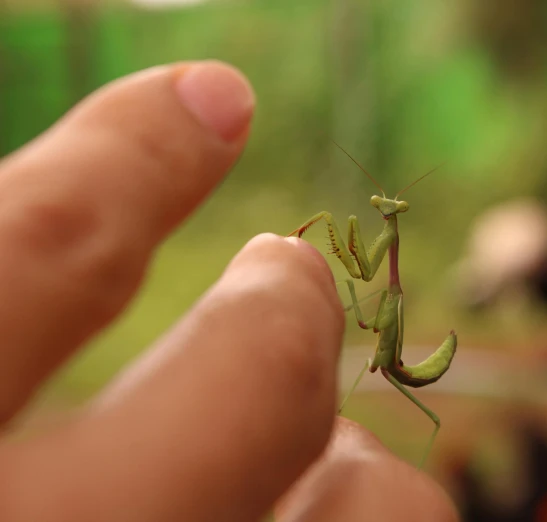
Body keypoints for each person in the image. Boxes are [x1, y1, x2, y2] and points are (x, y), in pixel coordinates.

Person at [0, 61, 458, 522]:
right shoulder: (385, 265)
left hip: (406, 368)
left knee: (427, 412)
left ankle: (408, 467)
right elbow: (362, 279)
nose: (383, 211)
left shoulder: (391, 289)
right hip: (381, 313)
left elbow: (364, 294)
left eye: (388, 210)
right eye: (384, 206)